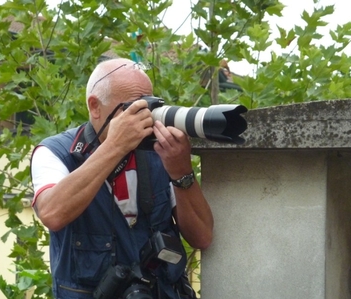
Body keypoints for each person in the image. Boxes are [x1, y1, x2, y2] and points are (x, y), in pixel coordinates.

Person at [30, 58, 214, 299]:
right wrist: (115, 146)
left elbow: (202, 236)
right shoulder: (55, 152)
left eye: (149, 106)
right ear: (95, 107)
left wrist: (181, 172)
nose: (144, 117)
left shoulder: (159, 153)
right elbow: (52, 213)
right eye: (132, 107)